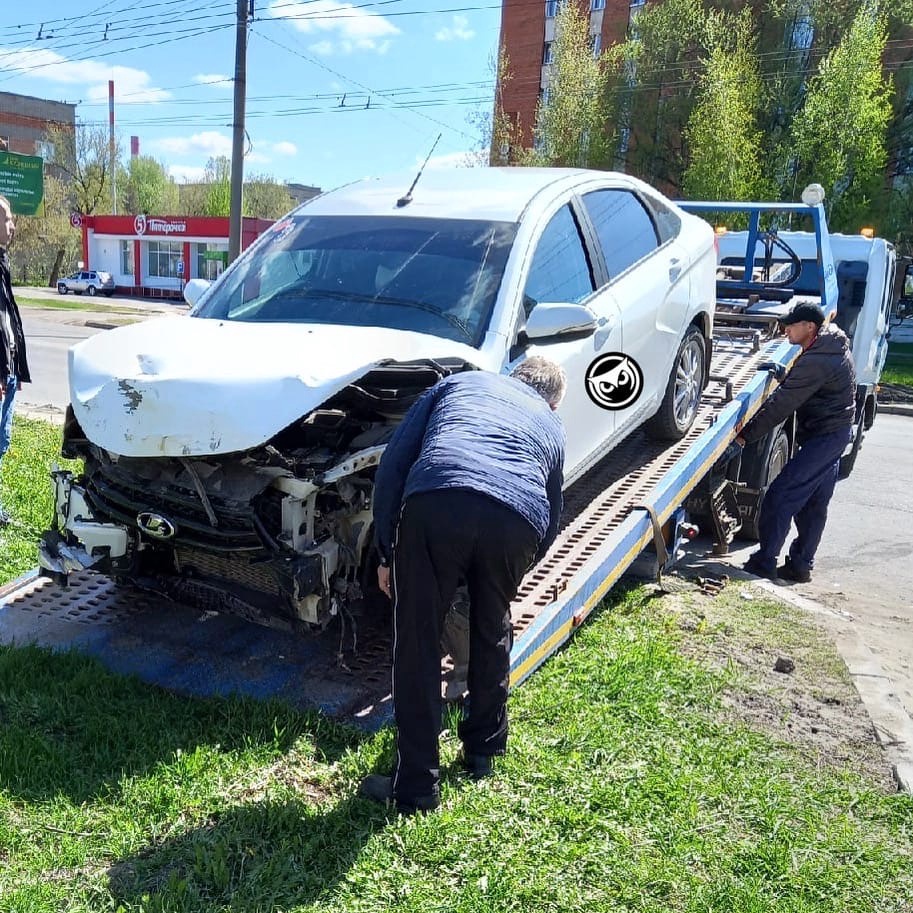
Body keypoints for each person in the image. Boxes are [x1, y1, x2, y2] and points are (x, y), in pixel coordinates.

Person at [360, 357, 567, 815]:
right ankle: (483, 753)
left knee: (418, 641)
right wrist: (517, 565)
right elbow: (553, 513)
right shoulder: (551, 427)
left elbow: (395, 464)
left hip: (439, 498)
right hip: (517, 518)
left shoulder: (460, 384)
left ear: (514, 376)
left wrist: (386, 549)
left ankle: (416, 787)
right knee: (492, 627)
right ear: (552, 401)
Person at [737, 301, 855, 583]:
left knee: (780, 495)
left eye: (791, 324)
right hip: (832, 434)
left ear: (810, 327)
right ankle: (800, 566)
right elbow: (809, 384)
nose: (785, 328)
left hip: (825, 438)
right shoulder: (825, 346)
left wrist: (746, 435)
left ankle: (764, 561)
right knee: (814, 504)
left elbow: (783, 404)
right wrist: (785, 376)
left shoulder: (819, 358)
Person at [0, 195, 31, 526]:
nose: (13, 225)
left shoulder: (2, 262)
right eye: (7, 218)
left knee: (2, 441)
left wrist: (14, 366)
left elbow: (8, 320)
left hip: (6, 370)